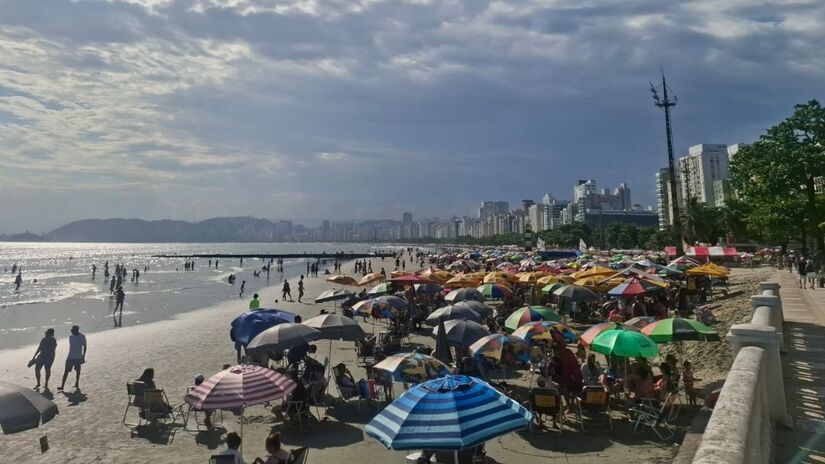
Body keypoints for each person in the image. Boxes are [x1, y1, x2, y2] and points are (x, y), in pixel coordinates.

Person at [58, 325, 86, 391]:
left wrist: (83, 356)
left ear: (76, 330)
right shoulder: (70, 337)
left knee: (77, 371)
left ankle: (77, 383)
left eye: (73, 330)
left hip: (78, 357)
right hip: (70, 356)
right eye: (71, 330)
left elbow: (85, 346)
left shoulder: (82, 336)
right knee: (66, 371)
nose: (72, 331)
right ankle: (62, 385)